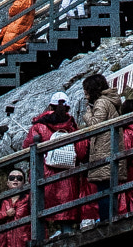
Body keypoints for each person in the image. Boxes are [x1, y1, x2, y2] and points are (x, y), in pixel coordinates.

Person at [23, 92, 89, 231]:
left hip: (44, 175)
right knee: (66, 217)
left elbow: (27, 147)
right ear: (68, 108)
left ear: (50, 106)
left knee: (41, 217)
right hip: (68, 177)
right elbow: (82, 152)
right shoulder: (71, 127)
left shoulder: (38, 126)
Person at [80, 71, 120, 226]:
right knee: (107, 190)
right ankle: (108, 218)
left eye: (86, 90)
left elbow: (96, 125)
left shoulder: (101, 103)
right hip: (109, 149)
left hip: (104, 152)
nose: (84, 94)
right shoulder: (108, 101)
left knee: (104, 191)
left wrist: (87, 114)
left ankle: (106, 221)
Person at [0, 164, 31, 247]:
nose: (15, 180)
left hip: (23, 242)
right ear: (7, 182)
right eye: (12, 178)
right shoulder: (1, 200)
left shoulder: (29, 198)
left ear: (24, 182)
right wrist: (5, 214)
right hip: (4, 243)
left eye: (19, 178)